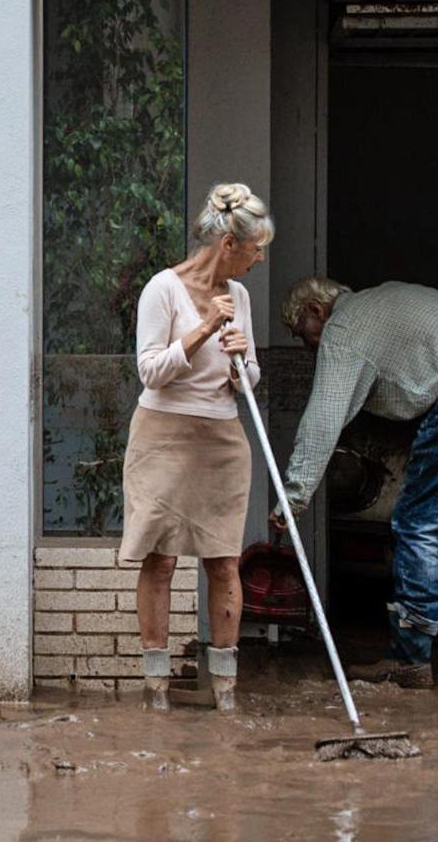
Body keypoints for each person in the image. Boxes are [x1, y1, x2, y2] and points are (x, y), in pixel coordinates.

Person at [272, 277, 438, 688]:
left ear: (316, 310)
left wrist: (293, 497)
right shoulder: (383, 302)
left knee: (418, 521)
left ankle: (410, 658)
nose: (306, 346)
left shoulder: (343, 328)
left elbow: (323, 419)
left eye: (302, 334)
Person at [122, 183, 270, 712]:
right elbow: (150, 372)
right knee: (160, 560)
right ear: (229, 242)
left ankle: (226, 688)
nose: (259, 259)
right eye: (255, 249)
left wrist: (243, 359)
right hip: (163, 434)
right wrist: (206, 328)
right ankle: (156, 686)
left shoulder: (242, 297)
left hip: (222, 438)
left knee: (223, 562)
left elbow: (246, 381)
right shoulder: (163, 289)